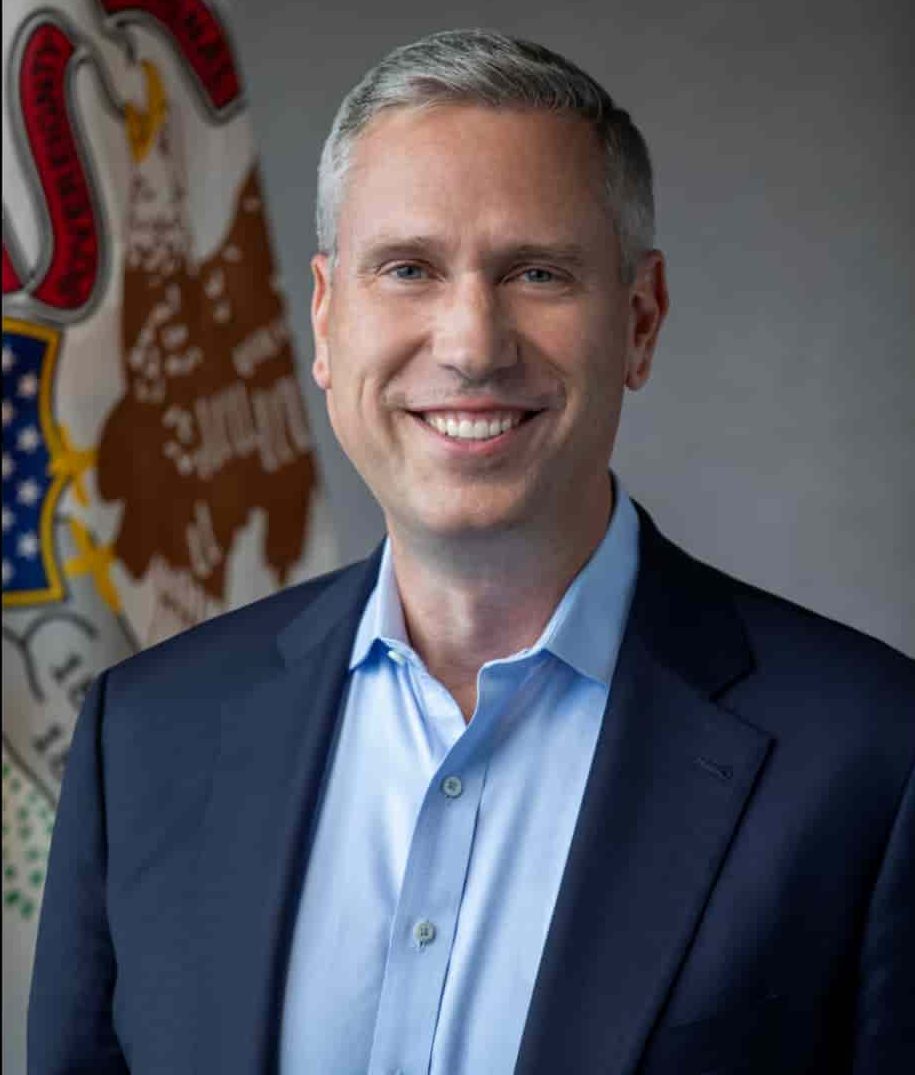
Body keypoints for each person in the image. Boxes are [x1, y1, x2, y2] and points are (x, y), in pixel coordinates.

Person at [28, 29, 914, 1075]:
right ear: (324, 317)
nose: (469, 343)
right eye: (407, 268)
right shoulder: (144, 740)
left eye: (537, 272)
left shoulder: (873, 758)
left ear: (640, 319)